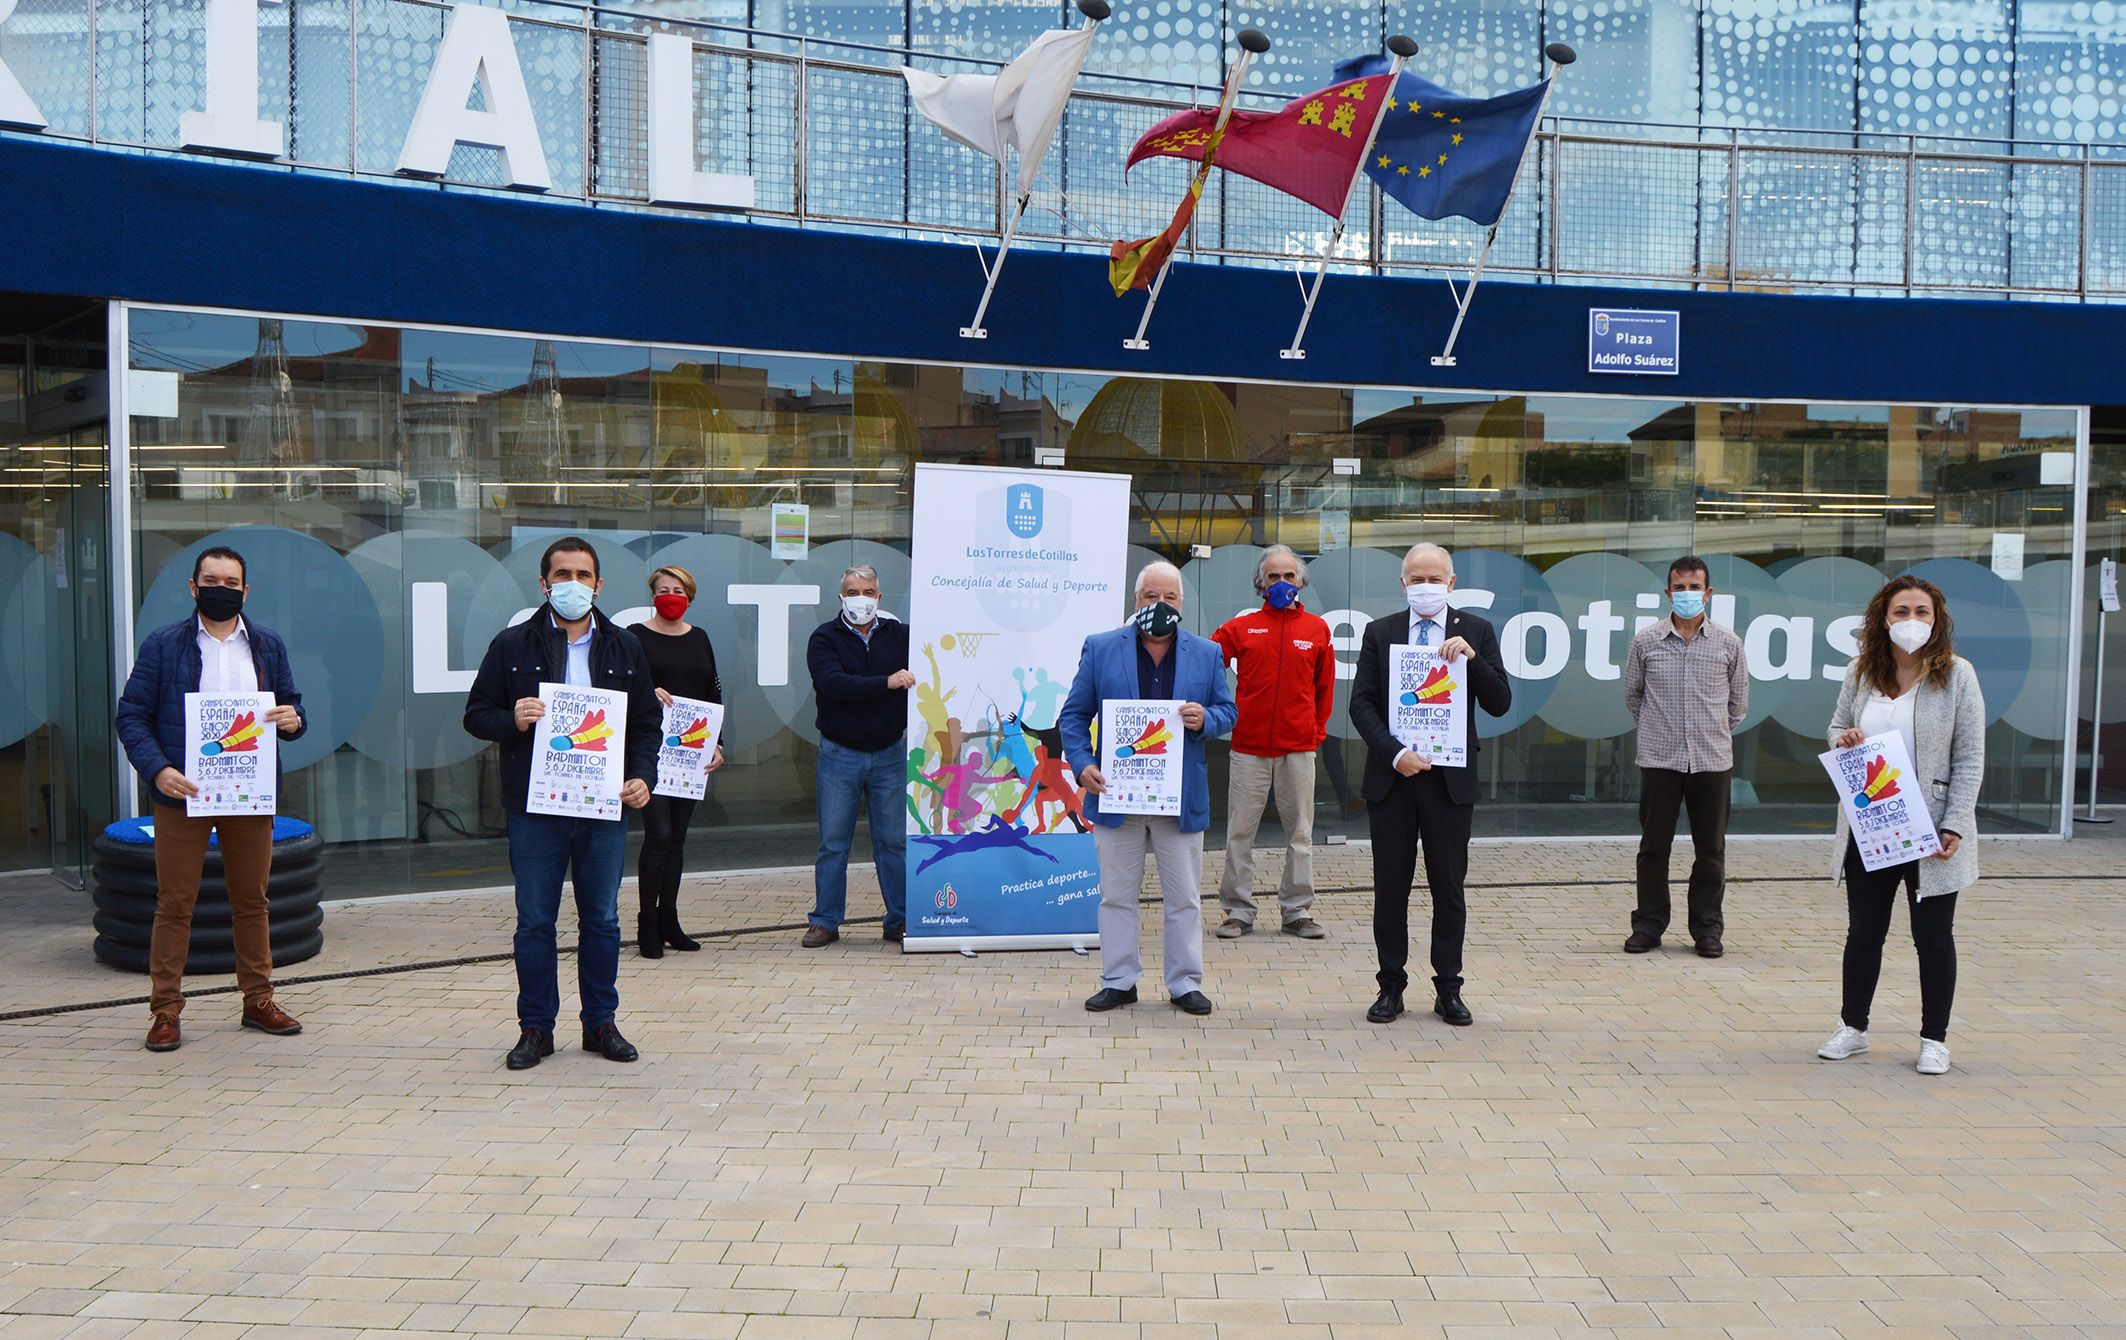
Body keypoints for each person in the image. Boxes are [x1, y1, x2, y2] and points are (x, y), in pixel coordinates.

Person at [465, 536, 659, 1070]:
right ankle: (536, 1029)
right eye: (562, 574)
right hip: (535, 808)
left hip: (603, 808)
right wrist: (513, 719)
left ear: (598, 584)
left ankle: (601, 1024)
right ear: (544, 582)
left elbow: (646, 724)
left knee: (601, 919)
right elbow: (476, 713)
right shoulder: (512, 645)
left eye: (583, 574)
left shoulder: (625, 647)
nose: (572, 583)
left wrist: (643, 775)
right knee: (535, 922)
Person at [115, 546, 308, 1053]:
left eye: (231, 581)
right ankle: (165, 1012)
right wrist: (158, 769)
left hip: (248, 792)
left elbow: (292, 706)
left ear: (246, 591)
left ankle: (258, 1002)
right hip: (183, 795)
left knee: (253, 901)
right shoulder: (163, 645)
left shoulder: (266, 645)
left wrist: (293, 720)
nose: (221, 588)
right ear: (193, 587)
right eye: (211, 580)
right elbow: (131, 715)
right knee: (175, 903)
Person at [1817, 575, 1983, 1077]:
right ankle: (1854, 1028)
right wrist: (1844, 738)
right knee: (1864, 932)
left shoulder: (1957, 676)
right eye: (1901, 611)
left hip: (1930, 829)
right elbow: (1835, 725)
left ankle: (1934, 1039)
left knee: (1933, 937)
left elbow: (1970, 755)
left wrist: (1954, 822)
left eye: (1922, 612)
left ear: (1937, 620)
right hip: (1874, 822)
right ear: (1882, 618)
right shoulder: (1862, 671)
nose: (1911, 621)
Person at [1060, 562, 1237, 1016]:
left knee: (1184, 899)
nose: (1160, 605)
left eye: (1170, 598)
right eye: (1151, 596)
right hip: (1115, 794)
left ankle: (1184, 983)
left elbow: (1228, 711)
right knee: (1117, 896)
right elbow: (1074, 716)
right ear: (1136, 601)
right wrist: (1082, 764)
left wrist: (1207, 720)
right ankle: (1119, 980)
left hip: (1178, 799)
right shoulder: (1100, 648)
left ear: (1182, 603)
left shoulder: (1207, 653)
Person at [1348, 542, 1512, 1028]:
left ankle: (1449, 988)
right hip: (1394, 780)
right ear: (1403, 584)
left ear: (1451, 582)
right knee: (1390, 889)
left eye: (1434, 578)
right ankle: (1390, 987)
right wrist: (1395, 754)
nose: (1425, 586)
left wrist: (1473, 660)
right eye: (1416, 579)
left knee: (1449, 888)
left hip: (1449, 783)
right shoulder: (1381, 633)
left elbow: (1500, 701)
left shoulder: (1477, 631)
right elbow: (1362, 704)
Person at [1620, 555, 1749, 958]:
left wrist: (1708, 733)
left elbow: (1738, 704)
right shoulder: (1646, 641)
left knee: (1710, 851)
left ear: (1708, 593)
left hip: (1712, 762)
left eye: (1695, 588)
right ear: (1668, 592)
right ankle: (1649, 925)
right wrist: (1662, 731)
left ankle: (1707, 929)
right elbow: (1633, 696)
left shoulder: (1729, 643)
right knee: (1654, 847)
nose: (1687, 594)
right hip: (1660, 760)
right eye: (1680, 587)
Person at [1211, 545, 1336, 940]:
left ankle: (1297, 911)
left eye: (1289, 576)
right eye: (1273, 577)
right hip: (1248, 747)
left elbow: (1324, 688)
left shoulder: (1317, 629)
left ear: (1301, 582)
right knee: (1239, 834)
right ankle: (1238, 911)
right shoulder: (1241, 628)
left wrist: (1314, 732)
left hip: (1297, 748)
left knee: (1300, 833)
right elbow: (1207, 660)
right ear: (1260, 584)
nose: (1282, 583)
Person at [804, 563, 915, 947]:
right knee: (834, 842)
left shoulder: (900, 636)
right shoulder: (824, 638)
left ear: (880, 597)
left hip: (890, 752)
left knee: (893, 842)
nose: (860, 599)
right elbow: (833, 684)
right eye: (852, 592)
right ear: (841, 597)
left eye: (868, 592)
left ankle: (899, 919)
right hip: (840, 754)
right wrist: (887, 683)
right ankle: (825, 921)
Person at [630, 564, 726, 958]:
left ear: (690, 596)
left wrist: (718, 743)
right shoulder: (633, 637)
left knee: (679, 837)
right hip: (650, 751)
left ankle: (670, 919)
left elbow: (712, 691)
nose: (671, 595)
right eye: (664, 588)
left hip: (690, 755)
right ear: (652, 595)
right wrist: (647, 690)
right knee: (659, 835)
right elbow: (620, 683)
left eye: (679, 589)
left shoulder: (700, 638)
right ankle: (646, 923)